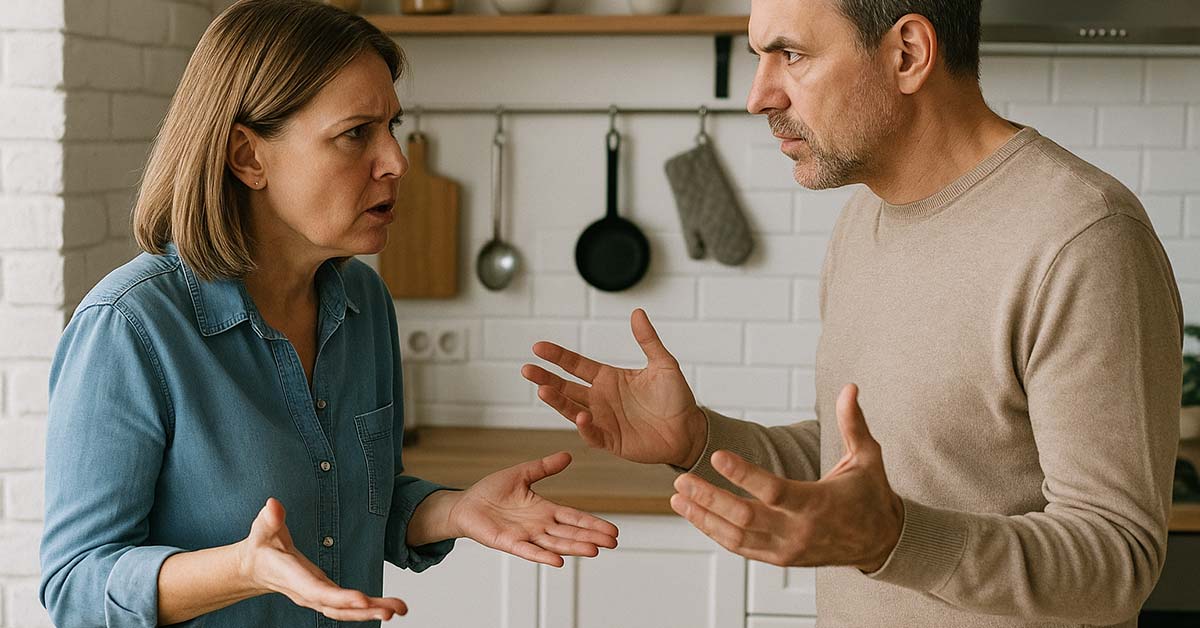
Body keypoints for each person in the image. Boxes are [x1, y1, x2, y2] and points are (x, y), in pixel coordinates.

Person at [522, 0, 1183, 626]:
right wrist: (701, 441)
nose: (758, 96)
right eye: (758, 56)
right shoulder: (862, 219)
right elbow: (864, 464)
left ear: (908, 54)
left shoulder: (1081, 236)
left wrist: (895, 537)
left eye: (790, 54)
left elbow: (1117, 556)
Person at [39, 1, 618, 626]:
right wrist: (242, 569)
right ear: (248, 157)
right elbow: (75, 585)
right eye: (356, 133)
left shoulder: (364, 304)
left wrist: (453, 510)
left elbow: (353, 500)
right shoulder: (130, 327)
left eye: (393, 125)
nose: (396, 160)